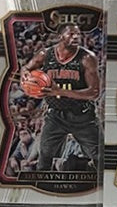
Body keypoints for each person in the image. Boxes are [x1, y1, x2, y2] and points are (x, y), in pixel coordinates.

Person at [21, 23, 100, 171]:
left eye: (78, 34)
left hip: (82, 116)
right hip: (55, 114)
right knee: (45, 154)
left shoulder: (87, 58)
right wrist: (24, 74)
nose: (76, 37)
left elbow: (94, 92)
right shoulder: (45, 54)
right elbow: (26, 68)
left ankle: (100, 182)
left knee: (98, 155)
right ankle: (41, 183)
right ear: (60, 37)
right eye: (71, 34)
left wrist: (59, 91)